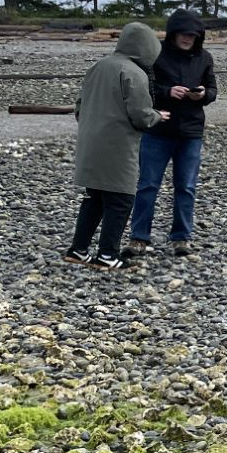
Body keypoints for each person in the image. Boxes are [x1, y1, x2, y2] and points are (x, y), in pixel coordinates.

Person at [65, 23, 168, 270]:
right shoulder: (134, 73)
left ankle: (78, 250)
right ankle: (108, 254)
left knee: (96, 197)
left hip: (90, 143)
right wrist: (157, 116)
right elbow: (140, 116)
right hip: (117, 146)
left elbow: (79, 106)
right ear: (147, 48)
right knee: (121, 199)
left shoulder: (98, 66)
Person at [129, 8, 217, 258]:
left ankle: (181, 238)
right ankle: (139, 238)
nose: (188, 39)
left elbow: (212, 90)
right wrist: (168, 92)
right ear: (173, 33)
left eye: (192, 35)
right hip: (158, 130)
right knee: (147, 185)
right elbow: (143, 87)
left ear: (198, 36)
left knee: (186, 187)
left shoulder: (204, 58)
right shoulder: (156, 56)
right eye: (183, 34)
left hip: (191, 132)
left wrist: (202, 94)